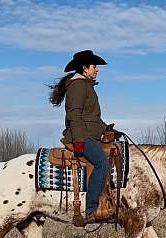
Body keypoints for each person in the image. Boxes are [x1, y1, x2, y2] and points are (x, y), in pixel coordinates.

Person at [49, 50, 119, 223]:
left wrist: (107, 128)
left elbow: (92, 118)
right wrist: (79, 141)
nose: (97, 70)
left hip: (88, 134)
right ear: (85, 68)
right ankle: (91, 209)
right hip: (81, 136)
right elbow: (74, 114)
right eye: (94, 66)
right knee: (101, 162)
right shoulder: (78, 85)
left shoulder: (85, 85)